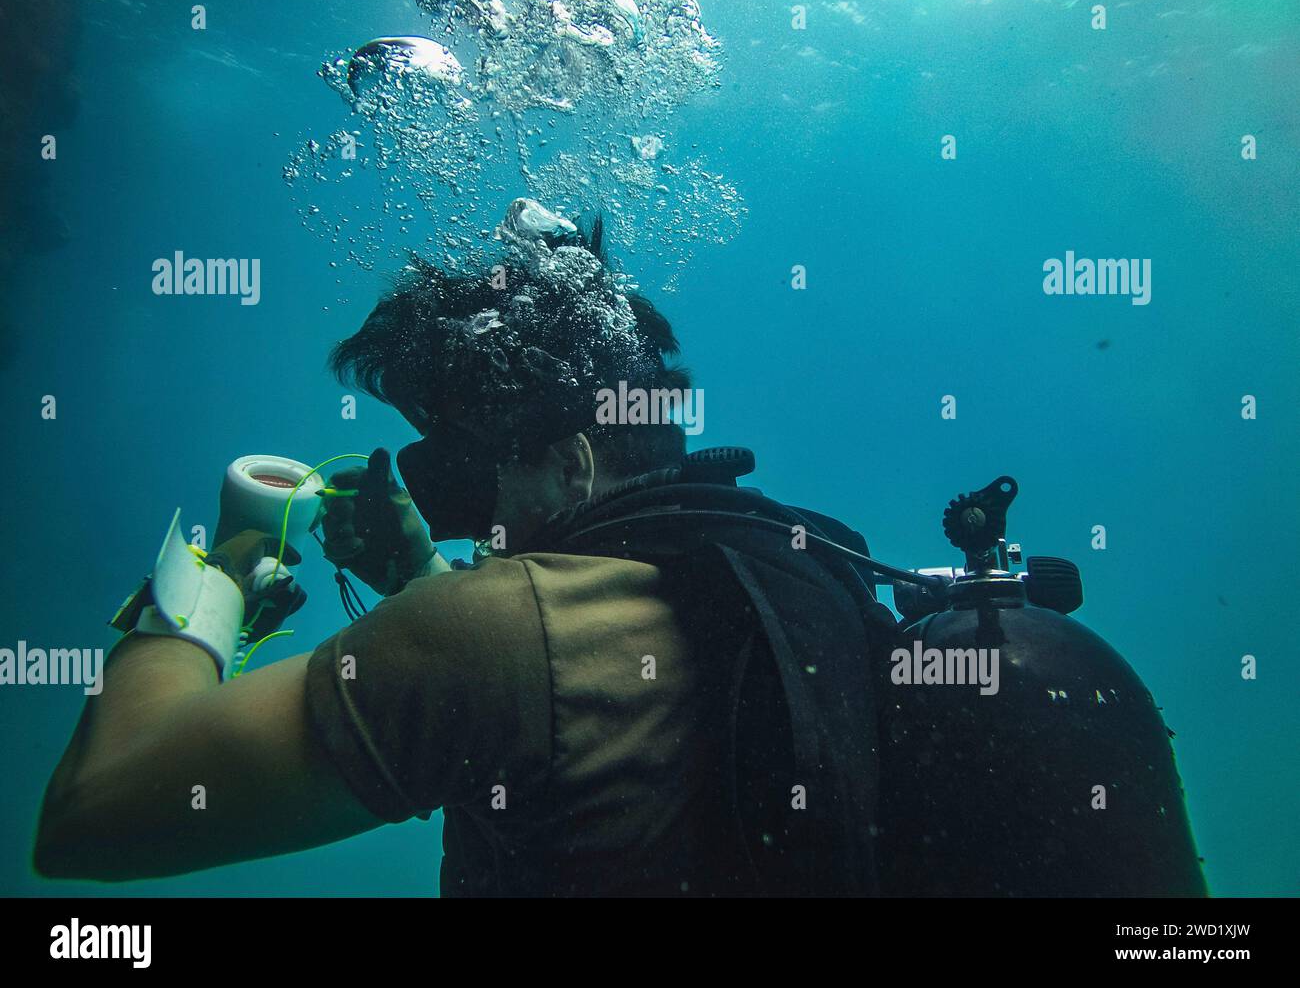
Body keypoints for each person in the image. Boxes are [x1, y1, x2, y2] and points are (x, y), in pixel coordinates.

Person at [33, 220, 1207, 897]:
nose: (437, 499)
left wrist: (218, 575)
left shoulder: (495, 632)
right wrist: (425, 588)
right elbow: (596, 699)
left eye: (453, 463)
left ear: (571, 455)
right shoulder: (799, 570)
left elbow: (101, 812)